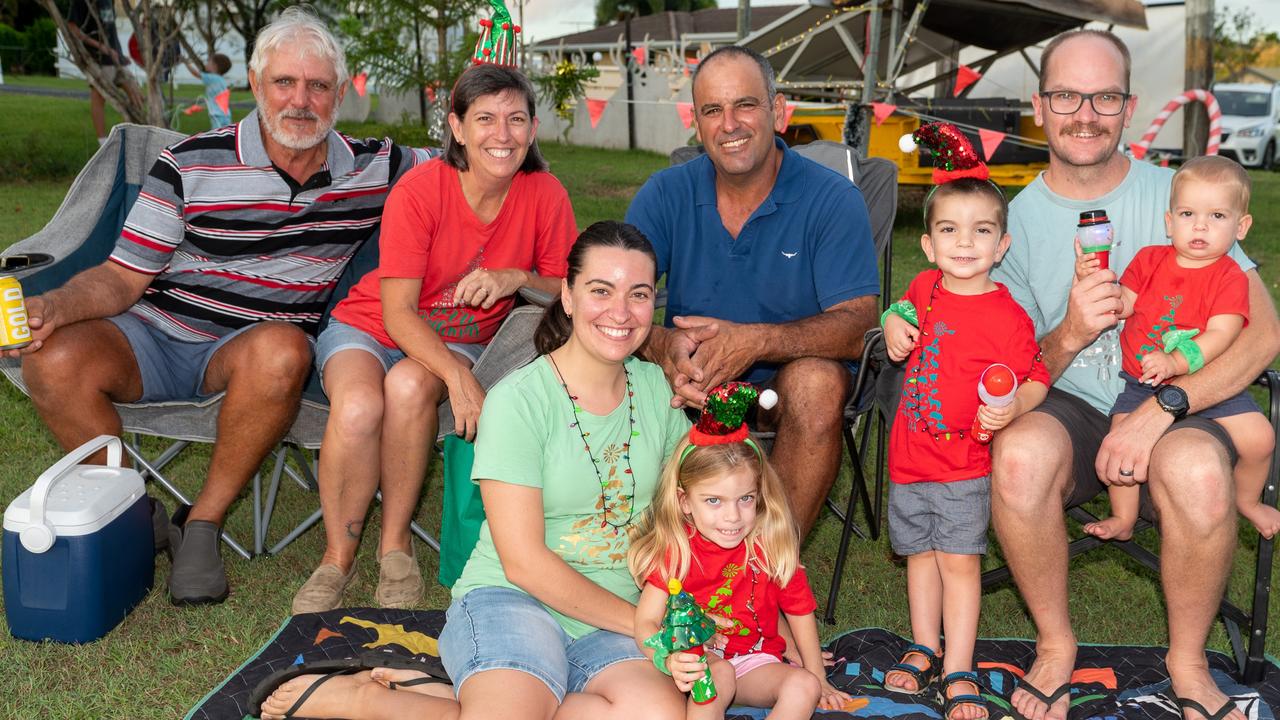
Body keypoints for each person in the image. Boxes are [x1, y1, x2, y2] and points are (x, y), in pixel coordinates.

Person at [6, 6, 429, 605]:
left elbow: (473, 156)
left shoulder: (376, 167)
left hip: (257, 351)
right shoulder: (189, 162)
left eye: (317, 86)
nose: (299, 101)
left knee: (283, 348)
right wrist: (54, 306)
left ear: (339, 95)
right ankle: (131, 513)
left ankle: (200, 524)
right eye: (284, 82)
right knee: (51, 361)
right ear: (256, 86)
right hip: (156, 331)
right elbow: (122, 277)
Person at [259, 222, 691, 720]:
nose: (620, 312)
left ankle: (433, 696)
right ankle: (367, 700)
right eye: (601, 290)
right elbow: (523, 563)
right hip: (517, 599)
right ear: (568, 297)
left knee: (657, 715)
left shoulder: (658, 392)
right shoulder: (521, 400)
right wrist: (644, 623)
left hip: (614, 609)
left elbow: (702, 500)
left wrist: (720, 426)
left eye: (638, 294)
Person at [990, 29, 1280, 720]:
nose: (1084, 112)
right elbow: (1013, 368)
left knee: (1200, 473)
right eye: (1066, 94)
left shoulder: (1184, 192)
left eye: (1104, 96)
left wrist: (1167, 405)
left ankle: (1186, 661)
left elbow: (1263, 331)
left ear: (1129, 107)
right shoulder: (1014, 222)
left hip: (1175, 405)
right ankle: (1056, 645)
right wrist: (1070, 331)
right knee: (1020, 457)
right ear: (1039, 105)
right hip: (1071, 406)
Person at [291, 62, 577, 614]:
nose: (502, 134)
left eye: (516, 119)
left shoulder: (545, 194)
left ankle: (395, 546)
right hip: (372, 324)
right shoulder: (421, 189)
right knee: (355, 407)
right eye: (486, 119)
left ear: (533, 130)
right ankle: (335, 559)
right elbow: (398, 315)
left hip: (462, 338)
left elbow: (568, 287)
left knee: (407, 387)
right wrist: (457, 374)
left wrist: (516, 278)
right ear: (457, 127)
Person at [625, 44, 879, 536]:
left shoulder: (831, 198)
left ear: (777, 111)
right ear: (696, 123)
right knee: (601, 356)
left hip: (785, 384)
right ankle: (613, 541)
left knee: (817, 384)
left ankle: (766, 569)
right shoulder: (666, 192)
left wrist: (758, 341)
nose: (730, 124)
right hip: (689, 380)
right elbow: (608, 296)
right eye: (713, 111)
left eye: (745, 105)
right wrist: (661, 345)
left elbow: (858, 324)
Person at [878, 125, 1049, 720]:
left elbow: (1037, 374)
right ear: (928, 244)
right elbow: (898, 308)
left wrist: (1014, 406)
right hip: (909, 459)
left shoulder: (1008, 317)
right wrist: (891, 320)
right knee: (919, 557)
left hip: (964, 464)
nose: (965, 242)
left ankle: (959, 667)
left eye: (981, 231)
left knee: (958, 562)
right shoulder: (924, 287)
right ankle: (924, 645)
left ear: (1001, 246)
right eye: (949, 230)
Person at [1074, 156, 1276, 542]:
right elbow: (1123, 305)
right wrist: (1097, 283)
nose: (1200, 225)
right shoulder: (1149, 261)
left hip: (1206, 382)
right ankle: (1123, 517)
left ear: (1242, 226)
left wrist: (1176, 361)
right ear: (1169, 222)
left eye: (1217, 216)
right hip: (1143, 383)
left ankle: (1247, 500)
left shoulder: (1230, 276)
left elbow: (1221, 333)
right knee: (1122, 442)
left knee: (1261, 438)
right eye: (1187, 213)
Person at [628, 381, 853, 719]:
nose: (732, 517)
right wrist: (668, 658)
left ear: (760, 494)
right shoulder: (678, 550)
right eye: (714, 501)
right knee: (720, 675)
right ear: (684, 502)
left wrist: (819, 677)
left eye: (745, 498)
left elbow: (799, 609)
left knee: (803, 685)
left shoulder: (768, 544)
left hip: (755, 660)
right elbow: (645, 622)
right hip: (699, 660)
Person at [66, 0, 144, 143]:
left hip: (115, 58)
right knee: (99, 95)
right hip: (98, 57)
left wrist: (119, 55)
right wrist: (100, 46)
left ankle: (130, 138)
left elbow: (111, 30)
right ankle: (102, 142)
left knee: (136, 95)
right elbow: (72, 27)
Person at [180, 52, 234, 129]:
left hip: (216, 115)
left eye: (209, 62)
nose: (206, 63)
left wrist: (186, 63)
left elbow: (196, 73)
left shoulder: (212, 78)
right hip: (226, 115)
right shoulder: (221, 80)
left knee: (216, 137)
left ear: (215, 66)